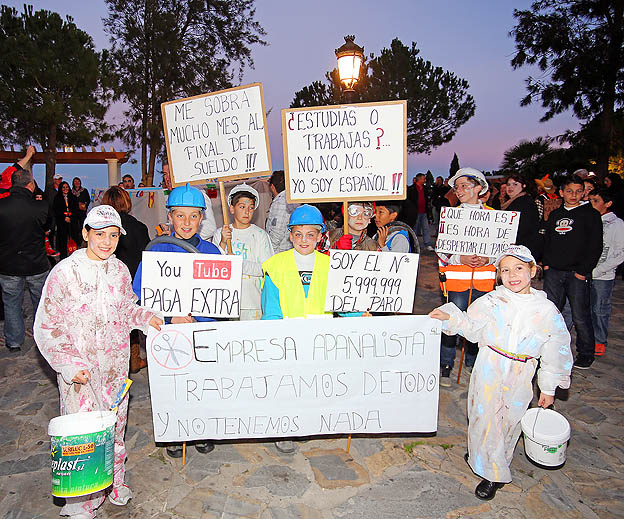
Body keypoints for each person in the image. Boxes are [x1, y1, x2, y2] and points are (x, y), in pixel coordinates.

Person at [34, 205, 163, 519]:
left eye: (113, 234)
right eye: (100, 234)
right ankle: (82, 500)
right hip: (81, 372)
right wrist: (67, 364)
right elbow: (48, 324)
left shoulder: (119, 270)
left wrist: (149, 319)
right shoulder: (65, 273)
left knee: (115, 428)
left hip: (115, 369)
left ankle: (114, 481)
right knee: (82, 434)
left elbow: (126, 308)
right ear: (85, 233)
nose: (107, 241)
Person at [429, 245, 572, 501]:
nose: (512, 275)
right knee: (483, 415)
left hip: (520, 372)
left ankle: (495, 471)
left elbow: (556, 349)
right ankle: (481, 458)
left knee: (508, 420)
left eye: (518, 268)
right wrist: (448, 317)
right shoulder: (491, 301)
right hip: (489, 366)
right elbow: (471, 326)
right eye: (505, 270)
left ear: (532, 270)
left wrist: (549, 387)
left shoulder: (547, 311)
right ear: (498, 275)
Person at [133, 183, 222, 458]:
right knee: (171, 387)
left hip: (201, 331)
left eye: (193, 215)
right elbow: (141, 295)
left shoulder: (212, 252)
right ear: (169, 217)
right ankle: (174, 433)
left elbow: (220, 299)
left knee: (200, 384)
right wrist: (171, 316)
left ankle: (201, 428)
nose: (186, 222)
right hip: (168, 333)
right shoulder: (156, 252)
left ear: (201, 218)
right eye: (180, 215)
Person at [261, 204, 332, 453]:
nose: (304, 240)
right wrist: (272, 337)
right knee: (287, 386)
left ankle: (307, 423)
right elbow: (270, 309)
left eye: (310, 234)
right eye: (298, 234)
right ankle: (285, 428)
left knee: (312, 384)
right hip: (286, 340)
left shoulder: (331, 265)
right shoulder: (275, 265)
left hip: (319, 339)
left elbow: (343, 302)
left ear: (320, 236)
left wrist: (359, 313)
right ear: (290, 235)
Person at [437, 168, 496, 387]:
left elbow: (504, 250)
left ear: (478, 188)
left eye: (464, 186)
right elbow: (441, 249)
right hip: (457, 281)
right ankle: (445, 364)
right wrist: (459, 258)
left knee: (478, 324)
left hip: (485, 282)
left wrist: (488, 258)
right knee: (451, 323)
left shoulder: (494, 217)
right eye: (457, 186)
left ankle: (473, 363)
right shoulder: (450, 216)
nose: (459, 190)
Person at [542, 174, 603, 369]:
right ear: (561, 192)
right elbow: (548, 240)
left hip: (577, 274)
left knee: (580, 315)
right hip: (554, 272)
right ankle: (549, 348)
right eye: (569, 191)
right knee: (551, 312)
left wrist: (583, 271)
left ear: (583, 192)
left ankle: (586, 353)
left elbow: (595, 246)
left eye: (578, 191)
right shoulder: (555, 215)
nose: (574, 195)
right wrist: (546, 264)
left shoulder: (590, 214)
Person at [0, 167, 50, 351]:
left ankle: (13, 342)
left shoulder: (2, 207)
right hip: (36, 263)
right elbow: (48, 225)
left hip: (8, 265)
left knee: (11, 303)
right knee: (41, 303)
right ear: (30, 185)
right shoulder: (40, 207)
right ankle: (42, 338)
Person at [102, 186, 151, 372]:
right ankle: (134, 361)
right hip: (133, 283)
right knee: (131, 323)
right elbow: (146, 256)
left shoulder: (101, 230)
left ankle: (112, 362)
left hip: (109, 283)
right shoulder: (139, 227)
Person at [212, 184, 274, 320]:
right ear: (232, 209)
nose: (247, 212)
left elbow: (267, 269)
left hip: (253, 303)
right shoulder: (221, 234)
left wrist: (239, 264)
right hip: (226, 303)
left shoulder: (260, 235)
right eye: (242, 207)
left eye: (251, 208)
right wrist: (222, 243)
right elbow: (215, 268)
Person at [589, 189, 624, 356]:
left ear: (607, 203)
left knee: (599, 308)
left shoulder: (617, 224)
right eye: (590, 201)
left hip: (603, 275)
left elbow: (620, 253)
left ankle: (599, 340)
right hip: (584, 272)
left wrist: (599, 270)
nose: (592, 204)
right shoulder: (588, 219)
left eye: (596, 201)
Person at [161, 163, 217, 240]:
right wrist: (169, 227)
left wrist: (180, 238)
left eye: (171, 173)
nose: (167, 178)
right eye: (165, 174)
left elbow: (209, 229)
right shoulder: (173, 196)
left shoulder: (196, 195)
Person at [501, 174, 541, 257]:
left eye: (515, 184)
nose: (510, 187)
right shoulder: (512, 202)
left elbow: (525, 227)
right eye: (508, 184)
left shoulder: (524, 202)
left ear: (524, 186)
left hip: (522, 249)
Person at [265, 170, 299, 253]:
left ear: (272, 187)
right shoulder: (293, 199)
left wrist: (269, 253)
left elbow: (277, 232)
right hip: (289, 249)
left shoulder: (280, 201)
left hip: (279, 252)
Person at [53, 181, 81, 259]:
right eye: (63, 187)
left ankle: (74, 256)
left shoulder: (73, 197)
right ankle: (63, 257)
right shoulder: (57, 198)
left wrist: (70, 217)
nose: (65, 189)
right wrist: (64, 217)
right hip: (62, 222)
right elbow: (56, 210)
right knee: (62, 240)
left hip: (72, 222)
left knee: (73, 239)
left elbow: (76, 210)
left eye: (67, 187)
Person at [409, 173, 434, 251]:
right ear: (419, 179)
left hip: (424, 212)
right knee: (415, 229)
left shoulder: (425, 189)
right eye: (423, 179)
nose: (425, 180)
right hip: (415, 213)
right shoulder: (411, 189)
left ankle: (427, 244)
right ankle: (414, 245)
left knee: (426, 228)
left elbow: (428, 200)